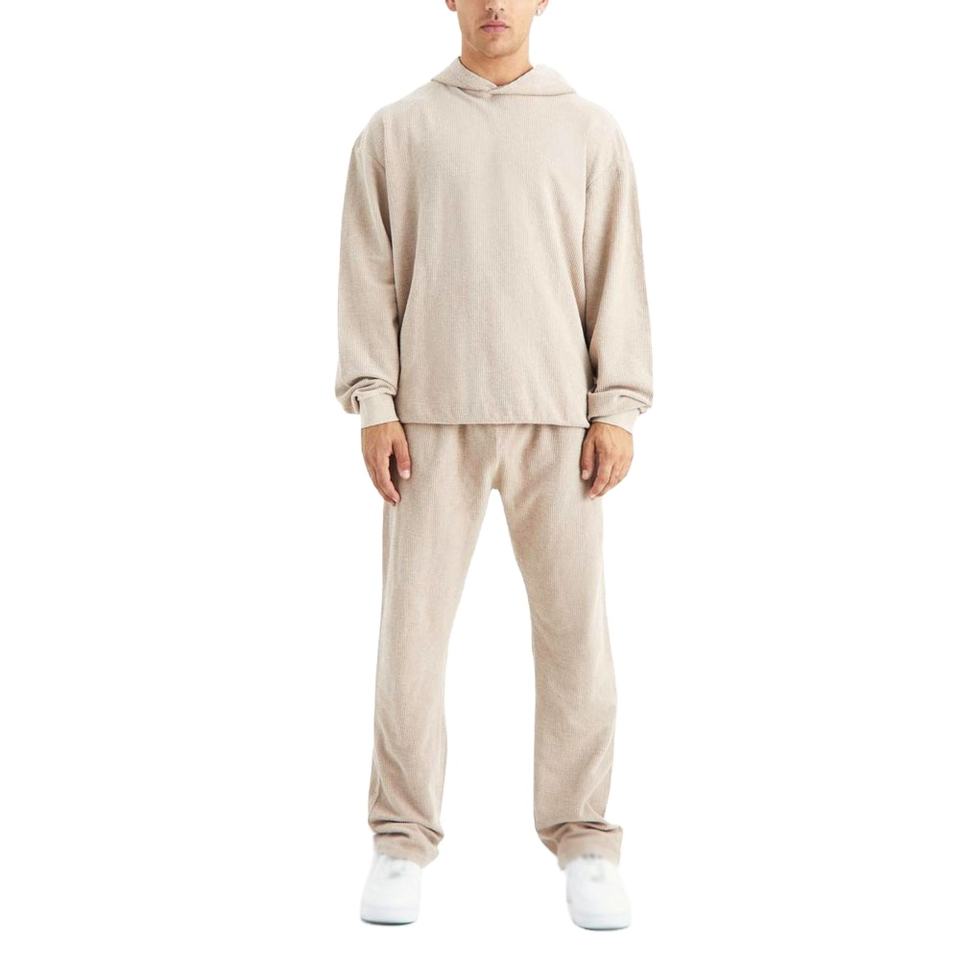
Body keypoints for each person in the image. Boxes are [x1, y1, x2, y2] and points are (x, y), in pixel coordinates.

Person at [334, 0, 653, 930]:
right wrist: (375, 404)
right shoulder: (396, 132)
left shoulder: (589, 131)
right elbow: (368, 276)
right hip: (428, 422)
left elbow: (614, 272)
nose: (495, 4)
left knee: (575, 637)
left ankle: (584, 840)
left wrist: (616, 406)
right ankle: (400, 839)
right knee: (411, 640)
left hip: (558, 421)